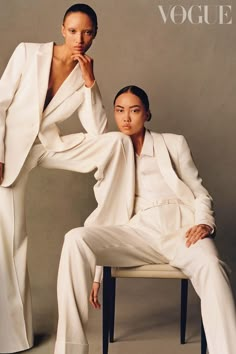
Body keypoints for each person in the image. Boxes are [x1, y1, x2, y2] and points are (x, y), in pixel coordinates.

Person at [55, 85, 236, 354]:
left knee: (211, 265)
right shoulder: (112, 149)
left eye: (134, 110)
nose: (126, 118)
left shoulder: (173, 143)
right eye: (119, 111)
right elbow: (107, 210)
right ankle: (69, 349)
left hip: (181, 230)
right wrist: (96, 276)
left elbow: (199, 192)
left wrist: (205, 223)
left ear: (147, 114)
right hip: (137, 232)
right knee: (75, 238)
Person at [0, 4, 136, 353]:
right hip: (11, 151)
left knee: (116, 143)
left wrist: (91, 83)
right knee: (12, 241)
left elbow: (98, 131)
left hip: (49, 146)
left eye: (88, 32)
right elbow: (0, 103)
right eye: (74, 31)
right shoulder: (28, 54)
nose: (80, 39)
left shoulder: (82, 75)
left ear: (95, 35)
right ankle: (12, 337)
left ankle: (114, 218)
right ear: (62, 29)